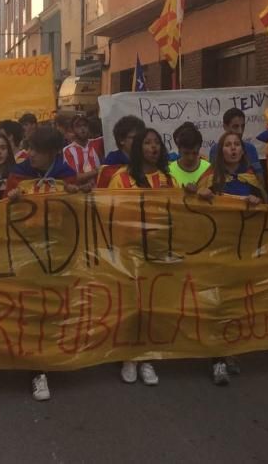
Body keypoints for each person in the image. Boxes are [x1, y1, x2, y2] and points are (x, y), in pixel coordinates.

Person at [6, 127, 81, 401]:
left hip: (56, 252)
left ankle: (50, 358)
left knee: (54, 308)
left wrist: (76, 196)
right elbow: (1, 212)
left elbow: (76, 216)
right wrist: (9, 200)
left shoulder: (65, 175)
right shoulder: (18, 173)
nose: (31, 154)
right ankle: (36, 371)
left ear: (52, 153)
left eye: (37, 150)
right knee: (31, 311)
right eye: (30, 148)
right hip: (25, 252)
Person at [196, 131, 266, 386]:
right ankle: (218, 359)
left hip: (244, 248)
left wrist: (257, 200)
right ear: (221, 151)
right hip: (218, 248)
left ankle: (231, 351)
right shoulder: (211, 177)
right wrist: (201, 195)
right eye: (228, 145)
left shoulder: (253, 178)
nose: (233, 149)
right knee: (219, 303)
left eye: (237, 145)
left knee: (238, 302)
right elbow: (192, 206)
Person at [107, 128, 174, 386]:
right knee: (130, 307)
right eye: (147, 143)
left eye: (157, 143)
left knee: (152, 307)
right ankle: (128, 357)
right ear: (139, 148)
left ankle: (146, 358)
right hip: (129, 250)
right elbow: (110, 212)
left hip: (158, 250)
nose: (153, 147)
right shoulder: (121, 178)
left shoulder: (168, 179)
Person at [208, 108, 263, 178]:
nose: (240, 131)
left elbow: (260, 180)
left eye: (242, 126)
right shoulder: (215, 149)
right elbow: (212, 179)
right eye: (235, 126)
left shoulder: (250, 149)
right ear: (225, 127)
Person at [97, 115, 146, 187]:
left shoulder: (146, 159)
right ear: (121, 140)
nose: (140, 141)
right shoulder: (111, 162)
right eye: (135, 137)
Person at [168, 122, 210, 188]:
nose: (191, 158)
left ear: (199, 149)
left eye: (194, 153)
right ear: (179, 149)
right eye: (186, 153)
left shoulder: (208, 169)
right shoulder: (169, 171)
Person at [62, 113, 101, 184]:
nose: (82, 128)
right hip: (79, 193)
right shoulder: (68, 150)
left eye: (85, 125)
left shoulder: (97, 143)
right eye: (78, 126)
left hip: (99, 192)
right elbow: (73, 178)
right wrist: (96, 171)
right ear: (72, 129)